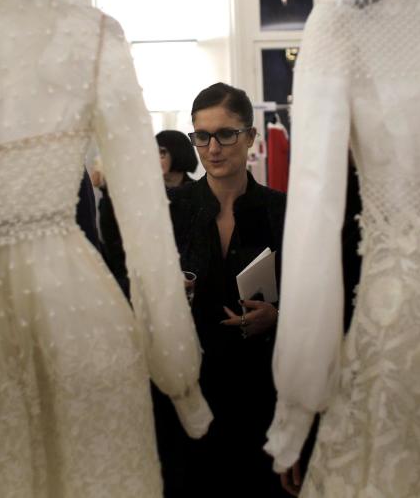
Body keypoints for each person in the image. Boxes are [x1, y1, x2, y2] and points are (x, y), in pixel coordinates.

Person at [157, 82, 287, 497]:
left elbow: (313, 298)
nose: (213, 147)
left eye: (226, 134)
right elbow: (138, 294)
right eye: (202, 135)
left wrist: (277, 317)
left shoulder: (282, 209)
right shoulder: (170, 211)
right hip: (191, 385)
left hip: (261, 387)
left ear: (250, 136)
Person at [98, 130, 198, 294]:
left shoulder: (197, 193)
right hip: (146, 282)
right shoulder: (141, 193)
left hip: (188, 282)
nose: (155, 158)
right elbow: (117, 240)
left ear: (179, 153)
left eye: (162, 153)